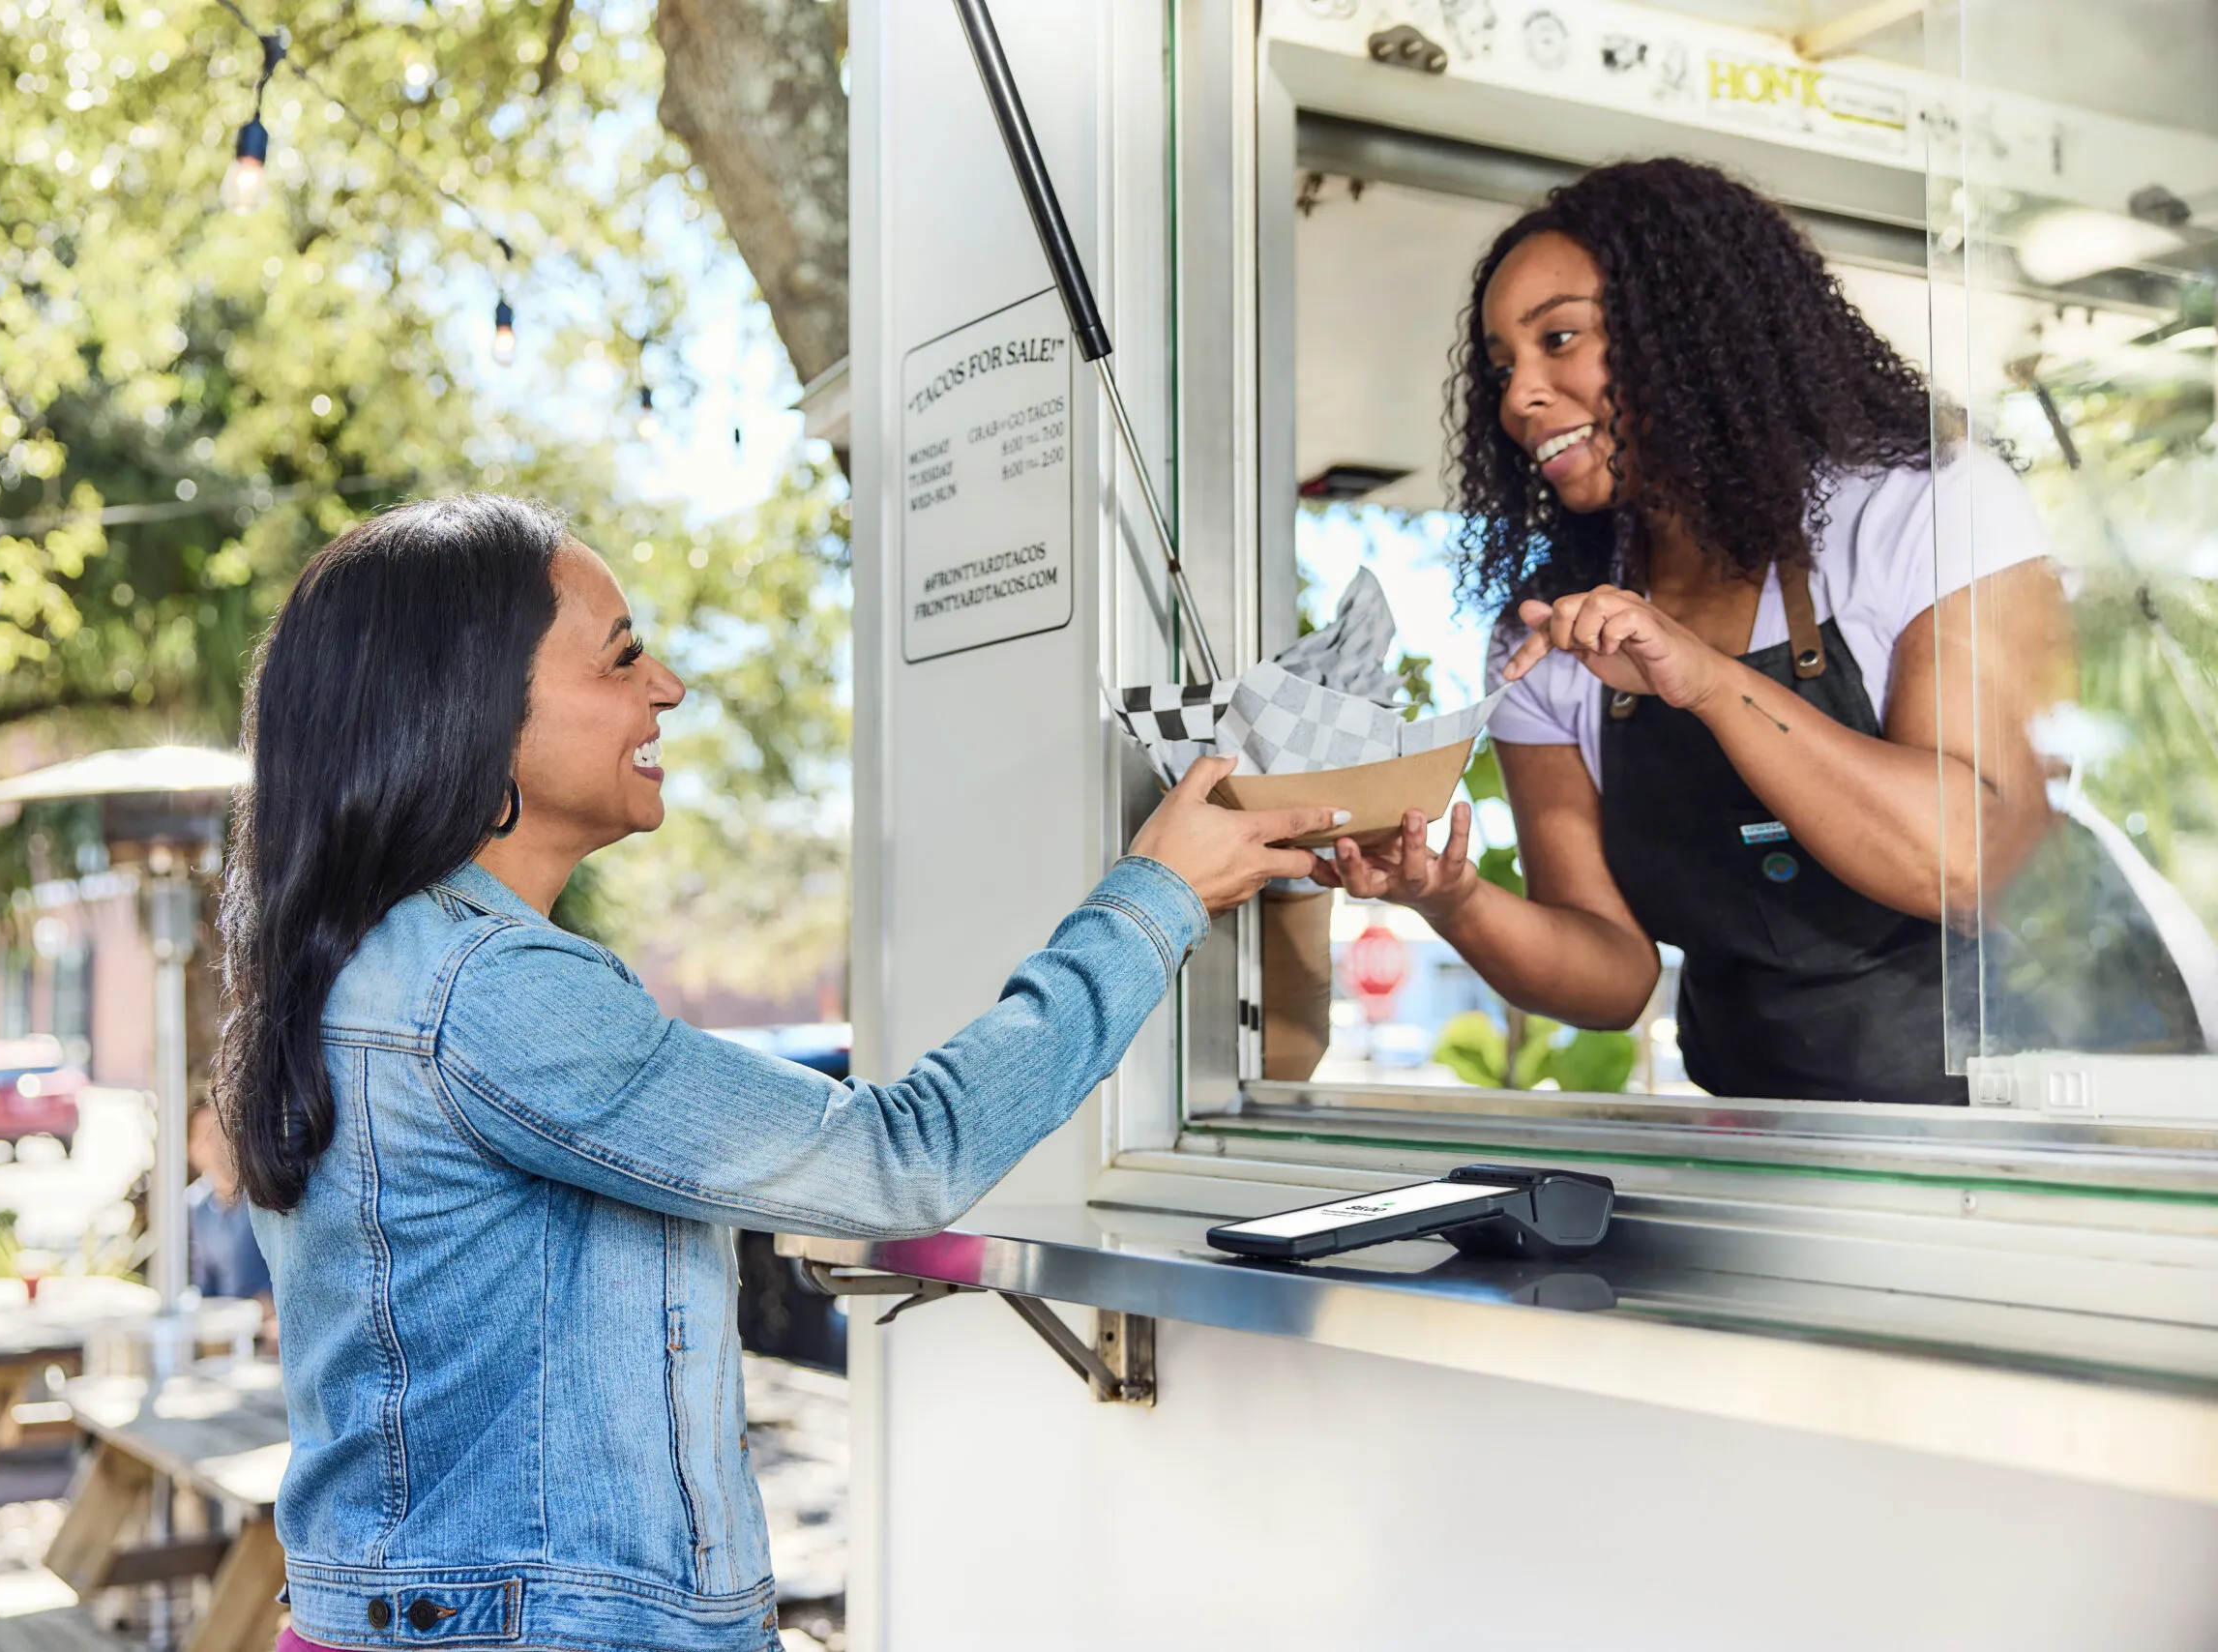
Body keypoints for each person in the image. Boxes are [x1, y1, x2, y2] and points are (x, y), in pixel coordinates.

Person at [214, 494, 1335, 1652]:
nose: (668, 687)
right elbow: (904, 1158)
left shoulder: (364, 963)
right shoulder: (490, 991)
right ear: (473, 714)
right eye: (621, 656)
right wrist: (1155, 895)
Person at [1313, 157, 2205, 1104]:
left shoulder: (1922, 508)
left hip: (2073, 1093)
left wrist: (1709, 681)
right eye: (1501, 366)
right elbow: (1611, 975)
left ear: (1689, 332)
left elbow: (1968, 860)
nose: (1516, 396)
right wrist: (1452, 899)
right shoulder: (1551, 629)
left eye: (1559, 339)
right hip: (1779, 1123)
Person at [186, 1101, 275, 1343]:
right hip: (226, 1335)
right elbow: (204, 1283)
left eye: (219, 1134)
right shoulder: (196, 1205)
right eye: (204, 1137)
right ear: (191, 1150)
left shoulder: (264, 1197)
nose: (214, 1145)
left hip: (271, 1333)